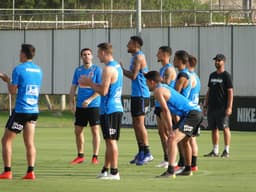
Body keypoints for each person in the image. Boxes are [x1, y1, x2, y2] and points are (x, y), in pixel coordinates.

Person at [144, 71, 202, 178]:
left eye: (146, 82)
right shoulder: (163, 87)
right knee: (185, 141)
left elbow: (165, 111)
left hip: (192, 114)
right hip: (193, 112)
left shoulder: (158, 91)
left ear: (152, 82)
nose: (146, 84)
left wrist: (170, 129)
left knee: (172, 139)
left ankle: (170, 170)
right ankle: (188, 169)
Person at [79, 42, 123, 180]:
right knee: (109, 141)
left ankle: (114, 172)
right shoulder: (117, 66)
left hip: (110, 109)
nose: (97, 56)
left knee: (111, 141)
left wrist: (89, 83)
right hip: (114, 108)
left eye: (98, 53)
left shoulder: (108, 69)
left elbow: (103, 91)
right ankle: (105, 169)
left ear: (104, 52)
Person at [0, 44, 43, 180]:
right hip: (34, 110)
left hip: (21, 111)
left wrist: (7, 80)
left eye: (20, 53)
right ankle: (30, 172)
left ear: (24, 54)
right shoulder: (38, 70)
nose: (19, 55)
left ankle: (7, 171)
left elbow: (13, 91)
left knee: (6, 140)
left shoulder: (18, 69)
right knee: (29, 142)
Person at [121, 35, 153, 166]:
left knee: (140, 124)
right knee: (135, 124)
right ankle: (141, 151)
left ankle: (147, 152)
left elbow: (133, 76)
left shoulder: (139, 57)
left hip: (141, 94)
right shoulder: (135, 57)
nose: (127, 46)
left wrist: (122, 70)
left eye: (129, 43)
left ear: (135, 45)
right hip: (136, 95)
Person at [69, 48, 102, 165]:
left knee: (95, 130)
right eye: (84, 54)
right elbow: (73, 87)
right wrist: (71, 102)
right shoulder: (78, 70)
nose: (86, 56)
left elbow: (100, 89)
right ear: (81, 57)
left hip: (94, 105)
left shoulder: (97, 70)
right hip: (80, 106)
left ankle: (95, 156)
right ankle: (80, 156)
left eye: (88, 54)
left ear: (92, 56)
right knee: (78, 130)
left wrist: (89, 100)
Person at [203, 53, 233, 158]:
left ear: (223, 62)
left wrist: (229, 107)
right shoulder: (212, 75)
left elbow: (230, 92)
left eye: (218, 60)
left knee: (225, 128)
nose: (216, 62)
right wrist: (205, 105)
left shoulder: (226, 75)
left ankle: (226, 150)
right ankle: (215, 150)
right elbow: (209, 90)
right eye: (215, 60)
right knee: (214, 128)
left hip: (222, 107)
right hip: (212, 106)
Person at [154, 46, 176, 168]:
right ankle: (166, 158)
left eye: (159, 53)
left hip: (165, 104)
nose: (157, 54)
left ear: (165, 54)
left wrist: (155, 79)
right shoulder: (162, 69)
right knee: (161, 132)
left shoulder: (170, 69)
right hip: (158, 103)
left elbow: (167, 83)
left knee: (169, 132)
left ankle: (172, 159)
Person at [173, 50, 192, 170]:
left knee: (178, 139)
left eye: (175, 58)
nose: (173, 60)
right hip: (184, 111)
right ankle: (185, 166)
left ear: (180, 61)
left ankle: (182, 164)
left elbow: (176, 94)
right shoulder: (184, 74)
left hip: (182, 111)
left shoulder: (183, 75)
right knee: (184, 141)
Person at [186, 55, 201, 171]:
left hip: (190, 110)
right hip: (196, 109)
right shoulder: (197, 76)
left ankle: (188, 164)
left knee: (188, 139)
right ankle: (193, 165)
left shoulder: (189, 77)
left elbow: (186, 94)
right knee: (192, 139)